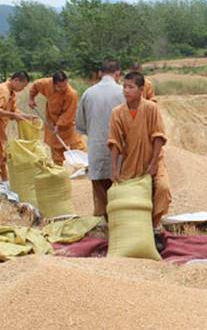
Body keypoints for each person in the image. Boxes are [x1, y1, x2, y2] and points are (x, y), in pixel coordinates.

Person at [107, 72, 171, 227]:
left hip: (153, 158)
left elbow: (158, 136)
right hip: (130, 162)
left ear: (141, 89)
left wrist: (154, 162)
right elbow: (114, 141)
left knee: (162, 188)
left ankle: (154, 224)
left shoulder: (151, 108)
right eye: (124, 87)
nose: (126, 91)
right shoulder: (117, 112)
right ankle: (135, 227)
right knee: (127, 196)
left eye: (131, 87)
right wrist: (114, 168)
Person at [76, 61, 124, 218]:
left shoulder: (88, 93)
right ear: (117, 74)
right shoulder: (124, 92)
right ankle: (118, 223)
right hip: (121, 151)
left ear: (99, 73)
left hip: (96, 149)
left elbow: (81, 125)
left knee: (100, 192)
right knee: (120, 191)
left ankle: (101, 224)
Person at [28, 71, 86, 166]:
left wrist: (59, 125)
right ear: (53, 83)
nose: (63, 89)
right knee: (55, 148)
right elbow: (35, 86)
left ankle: (83, 166)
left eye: (65, 85)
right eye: (59, 87)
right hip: (51, 119)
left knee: (77, 145)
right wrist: (31, 98)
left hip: (68, 123)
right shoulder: (45, 83)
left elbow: (68, 113)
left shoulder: (71, 94)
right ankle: (59, 168)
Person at [0, 71, 36, 181]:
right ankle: (5, 183)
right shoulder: (4, 90)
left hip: (1, 128)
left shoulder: (11, 93)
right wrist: (13, 115)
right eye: (23, 86)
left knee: (2, 155)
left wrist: (27, 117)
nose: (23, 89)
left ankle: (5, 183)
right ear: (16, 80)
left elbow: (13, 110)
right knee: (1, 156)